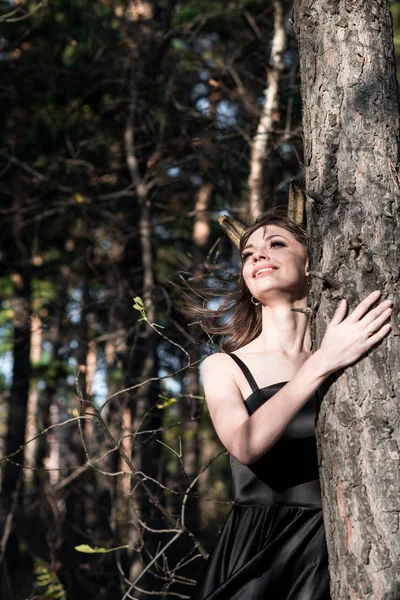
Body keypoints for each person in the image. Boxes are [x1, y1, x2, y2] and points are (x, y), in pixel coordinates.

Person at [190, 209, 392, 599]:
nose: (258, 257)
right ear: (247, 283)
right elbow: (244, 444)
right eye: (248, 255)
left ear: (309, 263)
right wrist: (321, 363)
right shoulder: (224, 366)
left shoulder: (349, 349)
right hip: (261, 552)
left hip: (341, 538)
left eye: (276, 244)